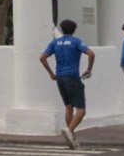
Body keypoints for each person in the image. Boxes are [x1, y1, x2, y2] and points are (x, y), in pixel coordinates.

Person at [39, 16, 94, 147]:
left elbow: (42, 57)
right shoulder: (76, 42)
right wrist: (89, 69)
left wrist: (51, 73)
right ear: (74, 30)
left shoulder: (55, 43)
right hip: (72, 76)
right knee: (81, 109)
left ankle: (71, 136)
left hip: (60, 77)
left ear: (62, 29)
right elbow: (91, 54)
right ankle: (69, 130)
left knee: (69, 107)